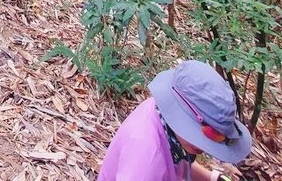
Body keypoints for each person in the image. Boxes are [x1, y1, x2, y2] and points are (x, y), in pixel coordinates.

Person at [98, 60, 252, 181]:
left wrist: (211, 178)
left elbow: (175, 160)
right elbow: (156, 161)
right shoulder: (145, 160)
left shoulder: (163, 116)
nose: (204, 147)